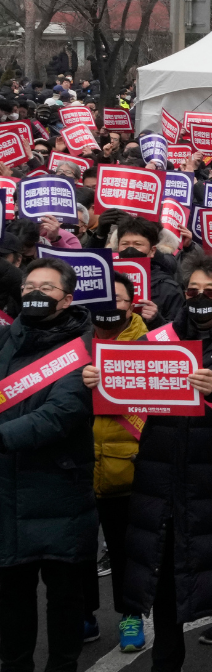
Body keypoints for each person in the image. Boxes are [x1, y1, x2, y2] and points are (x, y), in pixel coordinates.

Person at [91, 254, 212, 672]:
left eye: (210, 292)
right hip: (163, 482)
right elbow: (121, 372)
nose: (200, 299)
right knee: (165, 581)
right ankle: (166, 661)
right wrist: (98, 378)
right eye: (192, 291)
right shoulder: (161, 338)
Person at [0, 258, 96, 672]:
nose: (35, 294)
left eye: (46, 288)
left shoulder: (85, 348)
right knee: (11, 600)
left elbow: (62, 413)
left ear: (67, 298)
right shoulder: (5, 341)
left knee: (64, 600)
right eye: (29, 287)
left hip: (61, 489)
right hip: (7, 492)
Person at [84, 272, 149, 652]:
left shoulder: (153, 344)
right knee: (76, 551)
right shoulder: (72, 344)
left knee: (124, 549)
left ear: (131, 303)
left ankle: (130, 615)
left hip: (127, 465)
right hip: (76, 465)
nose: (110, 307)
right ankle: (83, 614)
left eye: (118, 299)